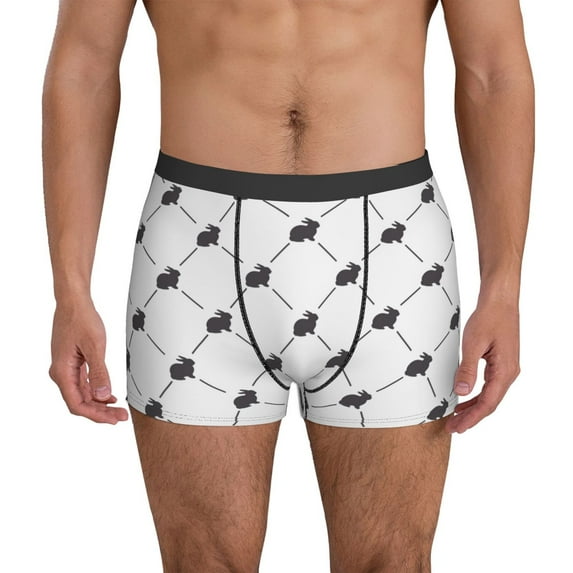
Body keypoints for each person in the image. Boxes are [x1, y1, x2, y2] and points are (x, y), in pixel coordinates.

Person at [42, 0, 533, 571]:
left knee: (393, 561)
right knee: (201, 563)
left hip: (395, 252)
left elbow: (493, 70)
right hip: (195, 249)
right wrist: (69, 289)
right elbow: (83, 66)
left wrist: (504, 288)